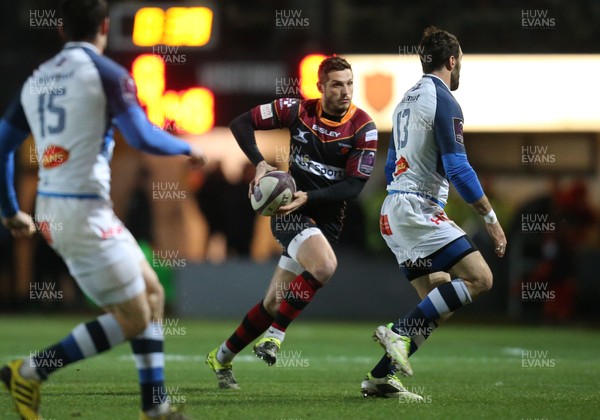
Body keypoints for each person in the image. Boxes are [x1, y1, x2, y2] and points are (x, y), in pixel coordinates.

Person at [0, 1, 206, 419]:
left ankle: (155, 406)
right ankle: (32, 370)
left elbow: (2, 145)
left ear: (60, 29)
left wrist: (8, 209)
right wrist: (187, 147)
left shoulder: (36, 79)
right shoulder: (108, 74)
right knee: (133, 317)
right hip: (81, 213)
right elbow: (143, 136)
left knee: (152, 294)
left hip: (62, 206)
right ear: (105, 28)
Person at [205, 56, 378, 389]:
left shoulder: (363, 128)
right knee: (325, 267)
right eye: (337, 84)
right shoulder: (296, 111)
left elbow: (354, 186)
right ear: (321, 87)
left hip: (324, 221)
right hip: (289, 213)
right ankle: (274, 337)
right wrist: (259, 164)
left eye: (350, 83)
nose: (345, 91)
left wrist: (310, 198)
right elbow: (241, 123)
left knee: (273, 302)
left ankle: (222, 357)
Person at [362, 26, 507, 400]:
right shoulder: (445, 101)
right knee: (480, 279)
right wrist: (491, 221)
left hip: (395, 210)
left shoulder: (405, 101)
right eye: (461, 64)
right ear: (453, 61)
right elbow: (458, 168)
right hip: (416, 208)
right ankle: (396, 332)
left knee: (439, 299)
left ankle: (381, 378)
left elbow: (392, 161)